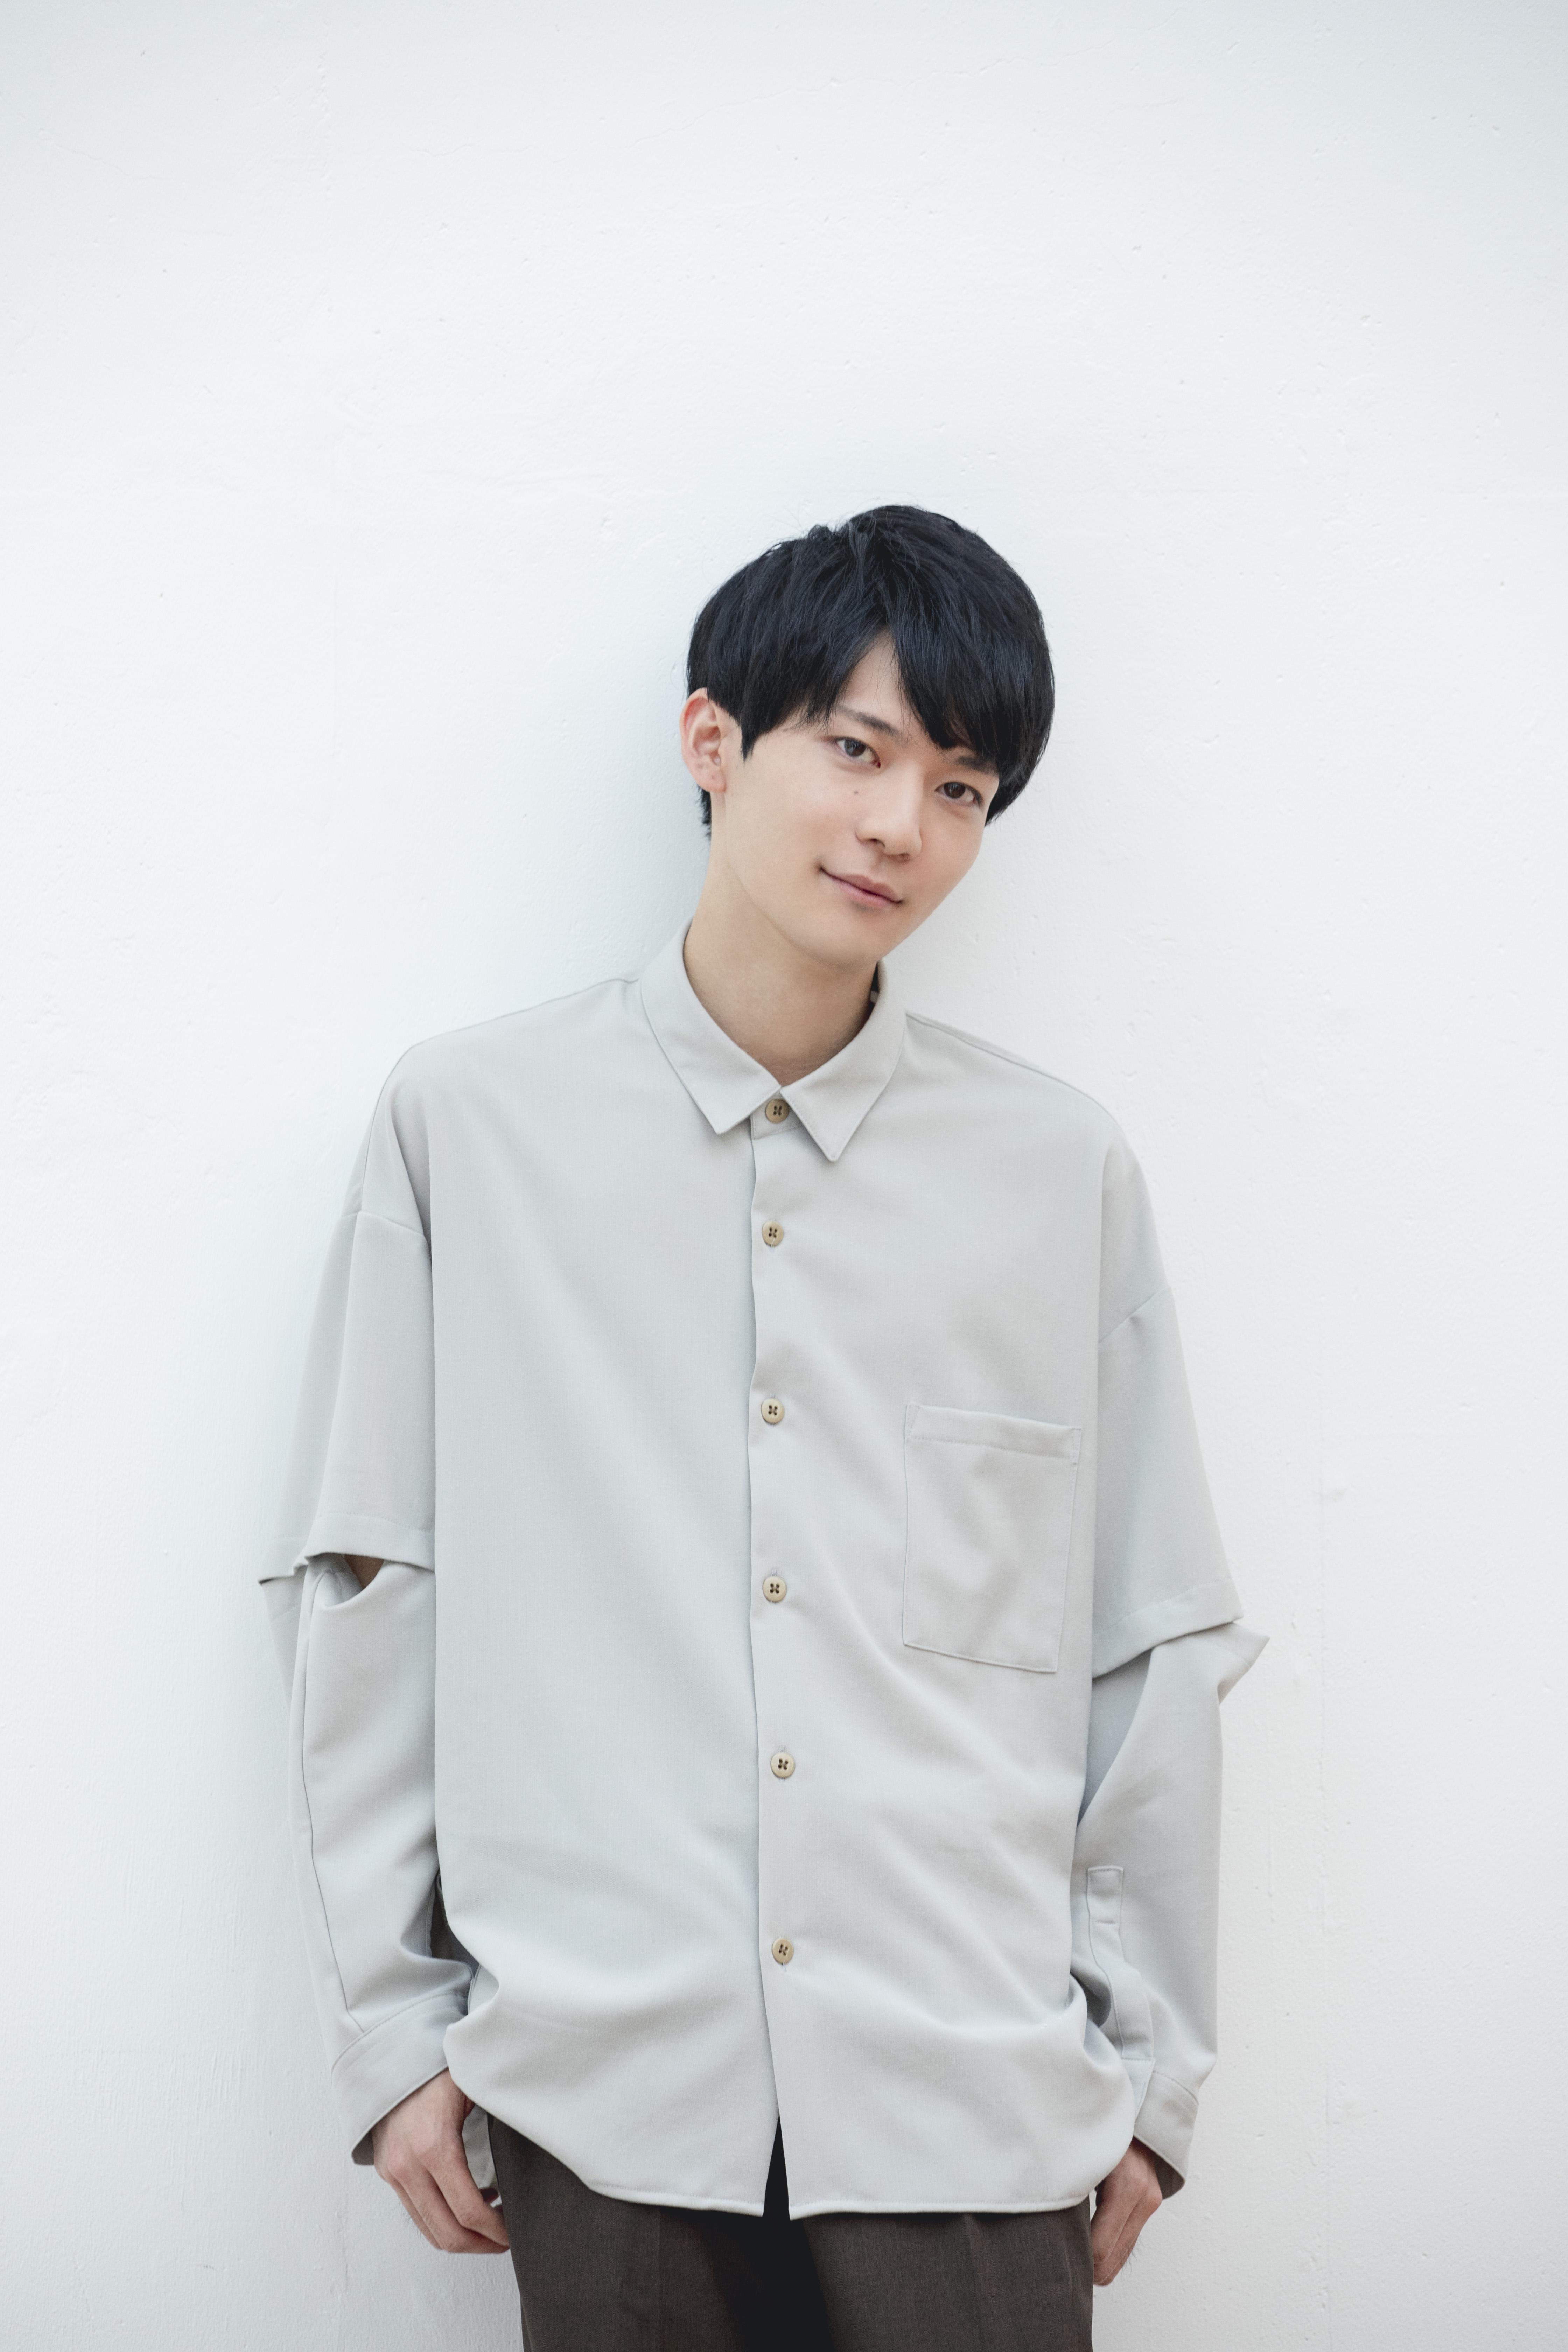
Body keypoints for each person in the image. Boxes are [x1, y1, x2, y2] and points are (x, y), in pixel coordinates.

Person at [263, 505, 1263, 2350]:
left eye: (960, 789)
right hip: (604, 2089)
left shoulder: (1057, 1173)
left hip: (974, 2093)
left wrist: (1152, 2072)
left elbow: (1152, 1642)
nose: (901, 828)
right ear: (712, 740)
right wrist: (393, 2033)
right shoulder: (469, 1128)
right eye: (858, 750)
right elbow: (369, 1588)